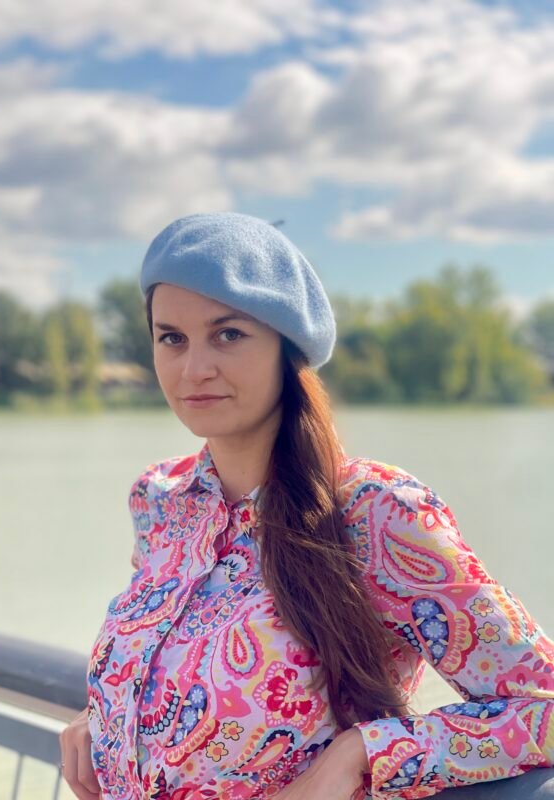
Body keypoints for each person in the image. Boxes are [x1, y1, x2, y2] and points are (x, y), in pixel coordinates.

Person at [60, 212, 554, 800]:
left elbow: (541, 707)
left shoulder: (374, 512)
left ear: (285, 347)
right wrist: (118, 717)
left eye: (229, 335)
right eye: (172, 338)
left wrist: (365, 753)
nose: (194, 368)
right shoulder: (160, 501)